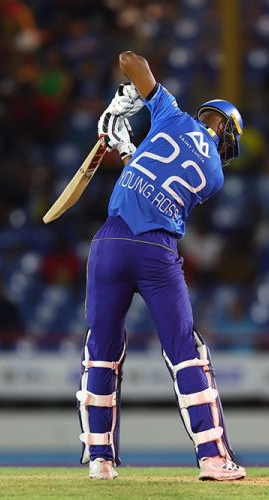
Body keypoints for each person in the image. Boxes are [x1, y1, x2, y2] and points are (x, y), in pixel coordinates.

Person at [76, 50, 246, 481]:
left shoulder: (171, 115)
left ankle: (99, 460)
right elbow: (164, 183)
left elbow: (130, 59)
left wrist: (128, 96)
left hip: (110, 242)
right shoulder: (215, 175)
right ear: (228, 140)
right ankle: (212, 457)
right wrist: (133, 146)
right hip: (156, 251)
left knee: (102, 352)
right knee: (185, 353)